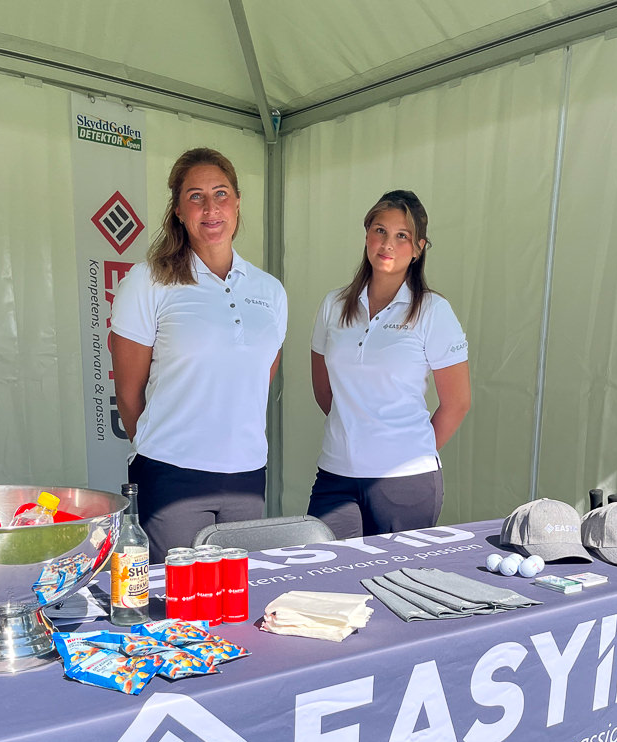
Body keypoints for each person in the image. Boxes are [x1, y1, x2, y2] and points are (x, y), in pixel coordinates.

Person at [111, 147, 287, 563]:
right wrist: (170, 447)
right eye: (196, 196)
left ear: (238, 202)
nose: (211, 208)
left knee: (236, 595)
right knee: (173, 598)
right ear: (178, 210)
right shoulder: (148, 281)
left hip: (247, 476)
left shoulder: (269, 290)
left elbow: (258, 378)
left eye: (221, 193)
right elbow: (129, 394)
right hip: (171, 476)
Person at [308, 189, 470, 539]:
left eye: (402, 236)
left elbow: (457, 402)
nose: (388, 244)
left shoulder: (433, 311)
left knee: (397, 575)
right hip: (336, 476)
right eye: (380, 230)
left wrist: (408, 450)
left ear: (418, 248)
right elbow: (324, 391)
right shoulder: (333, 305)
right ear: (367, 234)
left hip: (406, 481)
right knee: (326, 571)